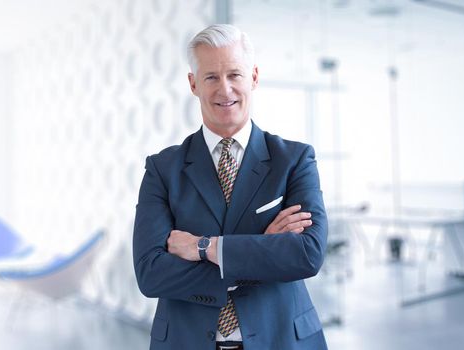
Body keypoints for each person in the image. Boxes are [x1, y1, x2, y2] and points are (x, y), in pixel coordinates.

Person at [132, 24, 328, 350]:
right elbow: (151, 274)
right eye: (211, 77)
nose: (225, 90)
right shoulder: (162, 169)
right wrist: (262, 250)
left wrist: (205, 247)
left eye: (234, 74)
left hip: (282, 340)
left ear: (253, 77)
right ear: (193, 83)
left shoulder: (294, 160)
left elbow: (307, 255)